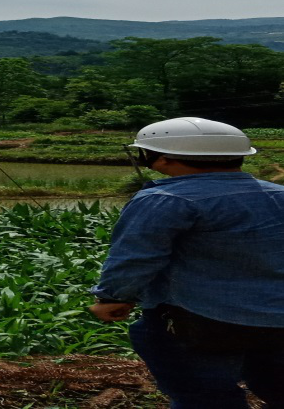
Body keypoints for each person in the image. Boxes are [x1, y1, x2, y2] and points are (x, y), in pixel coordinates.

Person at [89, 116, 284, 409]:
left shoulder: (165, 198)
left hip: (197, 321)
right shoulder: (278, 194)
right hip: (277, 318)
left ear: (162, 159)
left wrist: (113, 297)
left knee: (204, 398)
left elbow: (136, 257)